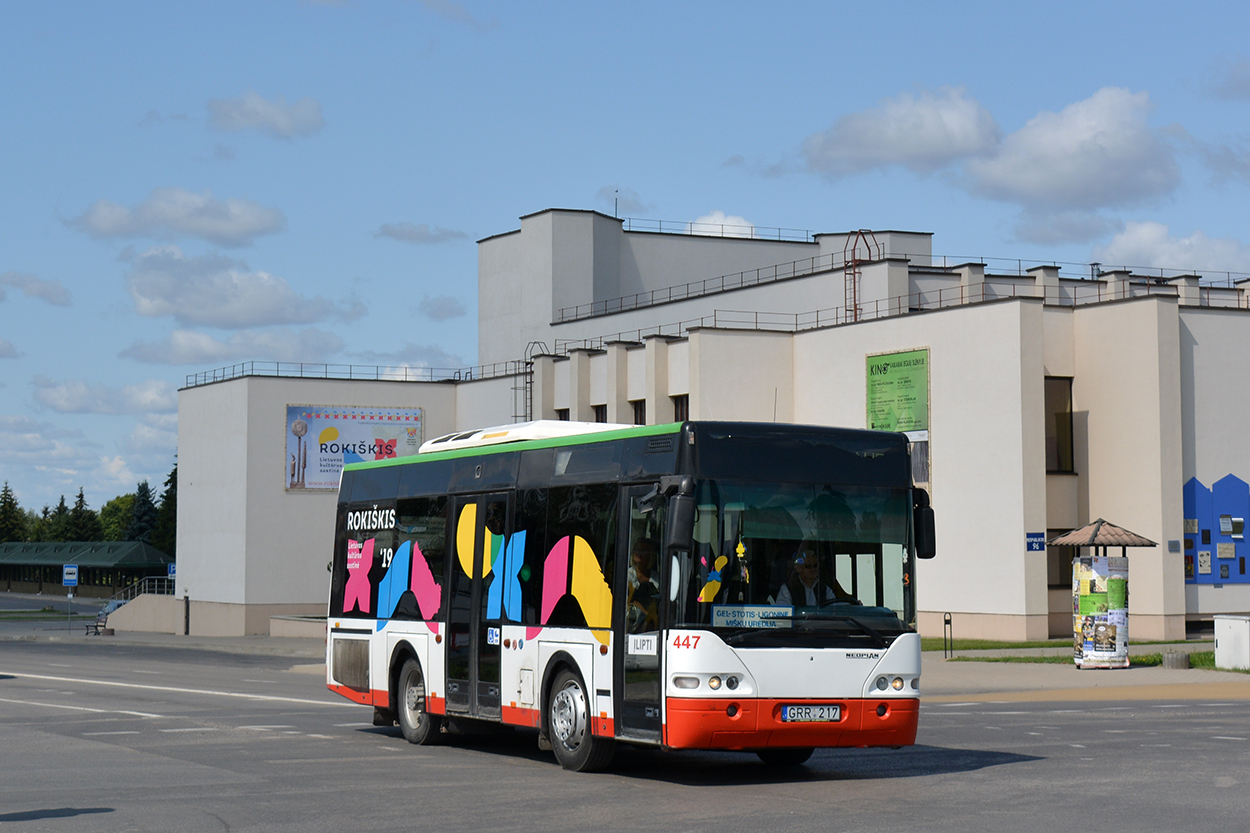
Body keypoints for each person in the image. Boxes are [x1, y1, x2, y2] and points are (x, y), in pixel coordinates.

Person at [775, 549, 849, 607]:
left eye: (815, 565)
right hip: (798, 626)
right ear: (798, 569)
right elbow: (783, 612)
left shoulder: (824, 588)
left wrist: (850, 606)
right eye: (808, 566)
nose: (813, 569)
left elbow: (835, 606)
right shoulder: (787, 589)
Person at [626, 537, 660, 631]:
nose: (638, 553)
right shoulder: (627, 575)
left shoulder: (657, 578)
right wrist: (646, 614)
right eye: (636, 550)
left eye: (643, 551)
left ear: (651, 555)